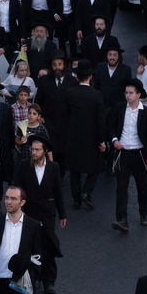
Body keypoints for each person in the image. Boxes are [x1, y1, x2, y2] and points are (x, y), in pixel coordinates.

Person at [10, 134, 64, 294]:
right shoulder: (23, 166)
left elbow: (58, 192)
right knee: (31, 246)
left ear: (44, 151)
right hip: (30, 212)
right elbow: (16, 188)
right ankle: (35, 277)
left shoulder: (54, 168)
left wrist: (63, 214)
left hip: (47, 213)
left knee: (47, 245)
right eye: (32, 149)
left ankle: (49, 282)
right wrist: (14, 209)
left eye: (37, 149)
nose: (33, 152)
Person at [107, 80, 147, 233]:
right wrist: (114, 140)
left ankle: (144, 213)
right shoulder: (120, 108)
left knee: (142, 186)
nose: (127, 96)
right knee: (121, 187)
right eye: (126, 93)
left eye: (130, 93)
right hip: (123, 153)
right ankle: (122, 219)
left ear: (138, 95)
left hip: (139, 154)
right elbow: (110, 125)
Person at [59, 60, 106, 211]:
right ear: (90, 77)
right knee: (96, 166)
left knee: (74, 169)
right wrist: (102, 140)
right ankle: (87, 191)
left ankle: (76, 199)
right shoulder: (97, 95)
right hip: (91, 137)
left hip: (73, 136)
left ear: (77, 77)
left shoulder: (70, 93)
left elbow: (64, 117)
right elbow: (100, 120)